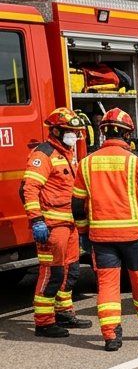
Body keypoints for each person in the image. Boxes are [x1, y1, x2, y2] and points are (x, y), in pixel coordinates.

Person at [72, 109, 138, 352]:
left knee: (107, 285)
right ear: (127, 135)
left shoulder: (86, 163)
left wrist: (83, 232)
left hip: (101, 237)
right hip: (134, 236)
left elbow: (77, 205)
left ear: (103, 133)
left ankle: (111, 336)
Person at [23, 108, 94, 337]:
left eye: (75, 131)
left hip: (70, 223)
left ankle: (64, 313)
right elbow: (29, 189)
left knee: (70, 271)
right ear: (56, 131)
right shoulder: (43, 155)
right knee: (52, 272)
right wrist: (37, 220)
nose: (74, 135)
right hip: (52, 226)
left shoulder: (68, 153)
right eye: (69, 131)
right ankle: (44, 322)